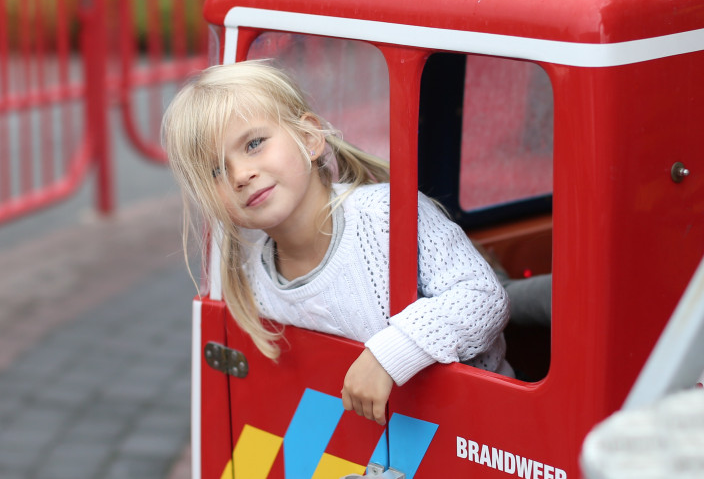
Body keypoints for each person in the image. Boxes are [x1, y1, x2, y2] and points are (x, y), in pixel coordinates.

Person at [160, 60, 511, 426]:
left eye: (254, 143)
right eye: (216, 171)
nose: (240, 175)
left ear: (309, 139)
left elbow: (483, 297)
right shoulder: (250, 275)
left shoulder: (386, 216)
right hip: (360, 442)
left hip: (478, 432)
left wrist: (389, 355)